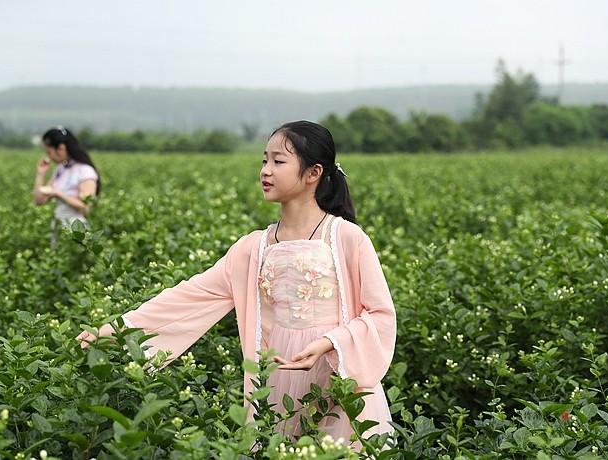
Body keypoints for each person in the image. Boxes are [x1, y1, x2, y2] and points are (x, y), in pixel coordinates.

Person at [77, 121, 396, 445]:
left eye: (278, 161)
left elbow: (381, 315)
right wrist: (116, 331)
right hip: (279, 375)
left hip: (337, 373)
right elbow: (190, 297)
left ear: (313, 173)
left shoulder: (346, 237)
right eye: (264, 160)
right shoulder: (252, 248)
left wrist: (330, 343)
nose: (266, 171)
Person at [33, 126, 100, 245]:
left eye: (49, 152)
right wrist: (41, 174)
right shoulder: (61, 170)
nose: (49, 157)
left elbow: (86, 207)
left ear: (61, 148)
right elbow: (39, 201)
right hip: (59, 227)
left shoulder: (85, 171)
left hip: (77, 229)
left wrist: (58, 194)